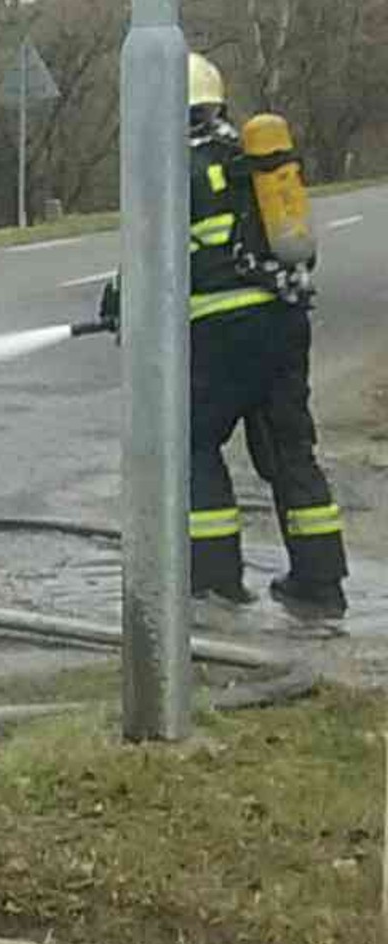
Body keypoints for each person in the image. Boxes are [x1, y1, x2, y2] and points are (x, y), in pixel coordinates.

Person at [135, 52, 349, 623]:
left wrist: (120, 302)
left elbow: (153, 260)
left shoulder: (171, 168)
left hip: (219, 334)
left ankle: (215, 585)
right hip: (283, 325)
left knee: (194, 445)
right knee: (290, 453)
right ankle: (320, 585)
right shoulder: (252, 161)